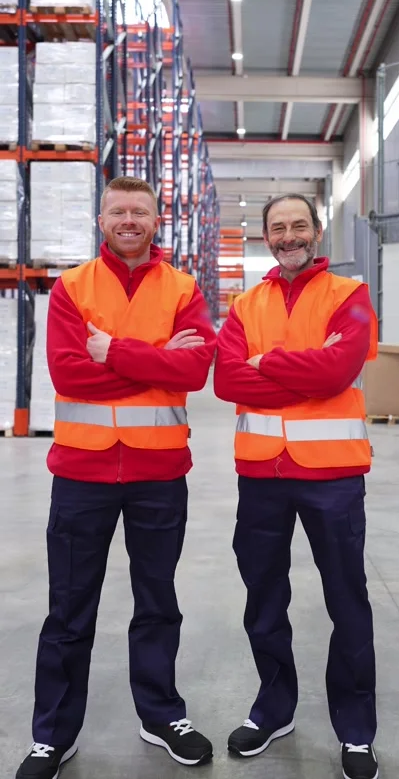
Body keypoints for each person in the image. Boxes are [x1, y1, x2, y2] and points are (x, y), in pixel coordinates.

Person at [17, 176, 217, 779]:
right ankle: (53, 735)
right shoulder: (73, 287)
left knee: (158, 602)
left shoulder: (182, 288)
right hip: (83, 472)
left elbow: (196, 367)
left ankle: (161, 715)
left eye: (140, 211)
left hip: (159, 471)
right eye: (118, 211)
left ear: (156, 221)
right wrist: (156, 359)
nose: (129, 219)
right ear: (99, 219)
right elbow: (69, 375)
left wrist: (116, 352)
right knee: (69, 607)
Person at [214, 193, 379, 779]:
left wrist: (266, 364)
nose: (289, 236)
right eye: (278, 227)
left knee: (347, 602)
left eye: (299, 226)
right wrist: (293, 368)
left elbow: (340, 369)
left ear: (315, 231)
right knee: (263, 599)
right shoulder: (244, 305)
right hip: (261, 475)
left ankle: (356, 731)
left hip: (332, 476)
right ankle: (273, 708)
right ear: (266, 236)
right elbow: (226, 380)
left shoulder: (350, 297)